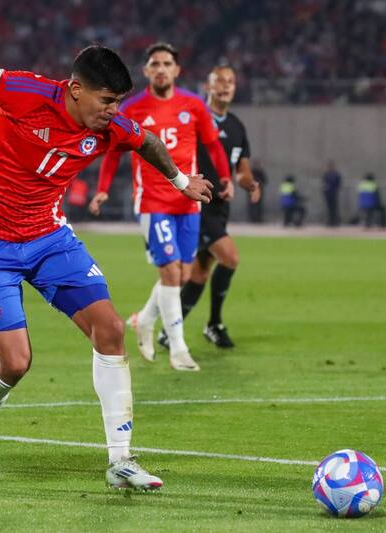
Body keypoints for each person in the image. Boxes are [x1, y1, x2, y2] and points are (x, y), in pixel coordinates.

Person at [0, 45, 213, 490]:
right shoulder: (24, 91)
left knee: (110, 327)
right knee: (15, 363)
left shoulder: (109, 127)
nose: (114, 112)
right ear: (75, 89)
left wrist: (180, 181)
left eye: (117, 102)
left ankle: (121, 460)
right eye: (107, 101)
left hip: (49, 238)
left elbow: (147, 141)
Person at [90, 42, 232, 371]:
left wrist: (225, 178)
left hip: (188, 201)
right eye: (155, 63)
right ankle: (179, 348)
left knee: (181, 275)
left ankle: (144, 319)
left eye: (167, 63)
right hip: (153, 201)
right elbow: (113, 151)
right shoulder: (134, 108)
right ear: (146, 71)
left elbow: (212, 143)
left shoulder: (193, 105)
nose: (161, 69)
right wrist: (102, 190)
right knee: (169, 273)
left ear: (177, 70)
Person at [158, 65, 261, 350]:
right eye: (220, 81)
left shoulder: (237, 126)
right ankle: (213, 323)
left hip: (219, 208)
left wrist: (247, 183)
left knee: (200, 273)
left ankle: (169, 331)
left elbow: (241, 169)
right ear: (208, 86)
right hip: (196, 204)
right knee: (230, 257)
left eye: (231, 81)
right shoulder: (191, 119)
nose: (226, 86)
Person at [247, 158, 268, 223]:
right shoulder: (253, 172)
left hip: (256, 190)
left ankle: (256, 219)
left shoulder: (252, 172)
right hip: (254, 190)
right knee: (255, 206)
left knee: (256, 206)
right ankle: (255, 219)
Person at [322, 159, 342, 227]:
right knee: (329, 208)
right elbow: (324, 183)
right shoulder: (326, 174)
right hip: (328, 193)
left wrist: (336, 189)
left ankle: (335, 221)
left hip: (333, 193)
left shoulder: (336, 174)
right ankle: (330, 221)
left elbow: (338, 183)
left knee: (334, 208)